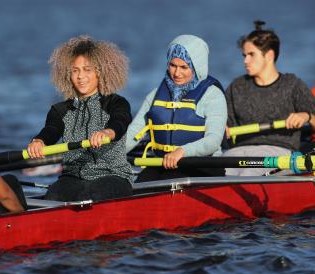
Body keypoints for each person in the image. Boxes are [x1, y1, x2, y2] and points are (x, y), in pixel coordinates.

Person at [27, 35, 133, 202]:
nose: (80, 76)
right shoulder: (60, 110)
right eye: (75, 71)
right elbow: (51, 130)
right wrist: (39, 141)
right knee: (53, 196)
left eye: (87, 69)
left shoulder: (116, 103)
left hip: (113, 176)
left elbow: (120, 121)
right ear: (68, 75)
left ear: (99, 72)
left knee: (91, 196)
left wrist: (108, 132)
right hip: (72, 177)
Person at [224, 21, 315, 176]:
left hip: (279, 154)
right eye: (244, 55)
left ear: (269, 55)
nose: (245, 61)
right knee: (214, 173)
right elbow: (223, 126)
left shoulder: (292, 85)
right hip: (237, 153)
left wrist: (307, 116)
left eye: (251, 55)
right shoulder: (237, 86)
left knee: (248, 174)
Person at [126, 34, 227, 182]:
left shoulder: (213, 96)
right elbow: (133, 134)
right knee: (139, 185)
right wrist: (108, 156)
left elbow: (213, 141)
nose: (177, 73)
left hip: (203, 165)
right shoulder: (155, 95)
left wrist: (183, 151)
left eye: (184, 67)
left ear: (196, 66)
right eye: (173, 65)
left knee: (169, 181)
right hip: (163, 163)